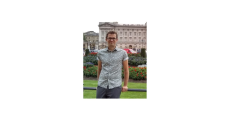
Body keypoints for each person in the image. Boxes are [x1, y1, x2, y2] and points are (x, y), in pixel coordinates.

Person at [96, 31, 129, 98]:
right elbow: (99, 69)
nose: (111, 40)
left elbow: (126, 70)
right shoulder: (100, 53)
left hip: (115, 86)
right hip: (102, 85)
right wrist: (99, 83)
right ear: (106, 39)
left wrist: (125, 85)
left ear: (116, 39)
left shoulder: (123, 53)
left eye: (113, 38)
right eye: (109, 38)